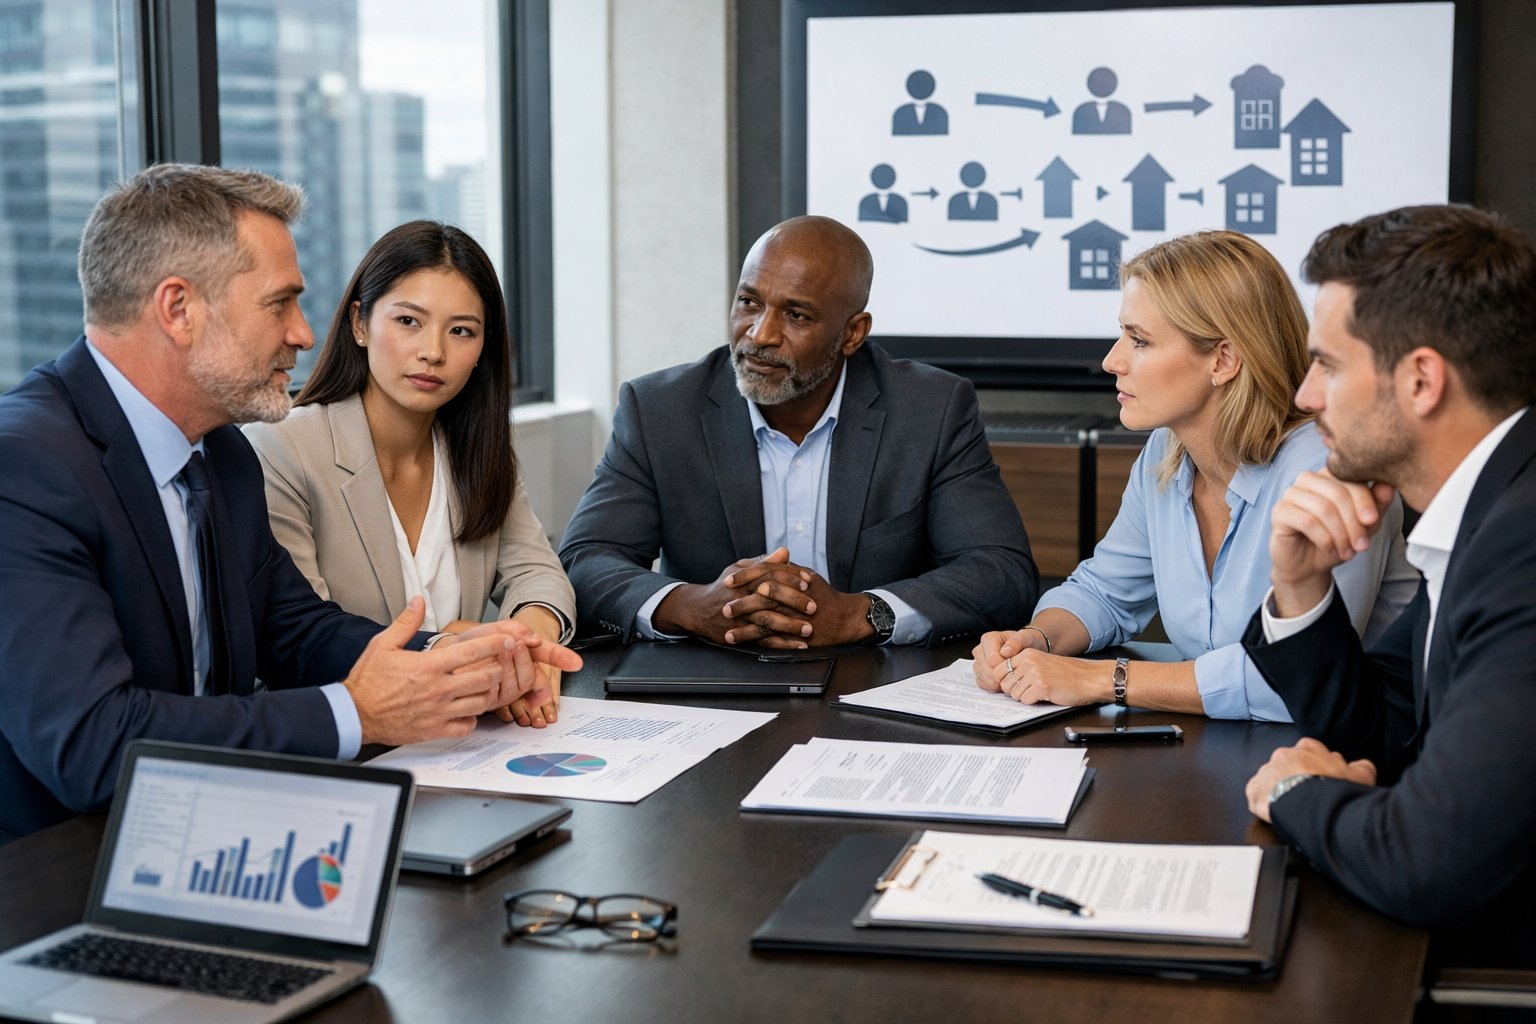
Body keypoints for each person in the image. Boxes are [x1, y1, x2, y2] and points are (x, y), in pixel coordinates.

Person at [0, 164, 581, 842]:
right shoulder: (26, 467)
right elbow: (91, 747)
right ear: (178, 309)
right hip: (53, 880)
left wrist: (456, 668)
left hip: (202, 834)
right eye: (280, 304)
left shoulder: (222, 455)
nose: (304, 333)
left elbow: (297, 632)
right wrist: (355, 714)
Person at [1241, 205, 1536, 954]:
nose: (1306, 397)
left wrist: (1297, 792)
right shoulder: (1489, 509)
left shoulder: (1521, 543)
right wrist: (1302, 585)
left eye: (1329, 366)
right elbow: (1384, 731)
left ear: (1422, 380)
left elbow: (1433, 859)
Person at [972, 231, 1414, 720]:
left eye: (1139, 340)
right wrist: (1036, 640)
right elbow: (1105, 592)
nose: (1111, 361)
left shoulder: (1327, 470)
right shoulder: (1167, 451)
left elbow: (1293, 677)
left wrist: (1100, 679)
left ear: (1223, 360)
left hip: (1364, 759)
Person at [558, 215, 1036, 649]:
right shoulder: (660, 410)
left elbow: (1000, 572)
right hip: (708, 681)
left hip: (875, 682)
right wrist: (691, 606)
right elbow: (585, 559)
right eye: (749, 302)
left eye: (796, 315)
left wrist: (860, 614)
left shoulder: (929, 409)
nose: (760, 335)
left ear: (853, 333)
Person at [245, 221, 576, 729]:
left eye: (461, 330)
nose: (434, 352)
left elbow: (539, 573)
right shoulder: (283, 448)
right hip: (346, 744)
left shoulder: (479, 450)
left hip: (465, 745)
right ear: (360, 323)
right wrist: (461, 653)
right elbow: (304, 638)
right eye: (409, 321)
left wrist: (523, 643)